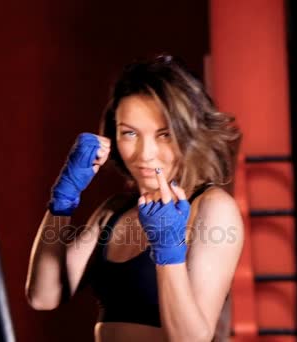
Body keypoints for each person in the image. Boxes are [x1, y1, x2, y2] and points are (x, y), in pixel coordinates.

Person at [25, 54, 244, 342]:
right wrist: (63, 199)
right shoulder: (114, 211)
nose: (144, 154)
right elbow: (43, 297)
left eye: (163, 134)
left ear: (188, 132)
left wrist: (168, 251)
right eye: (129, 133)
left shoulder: (212, 208)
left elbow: (191, 340)